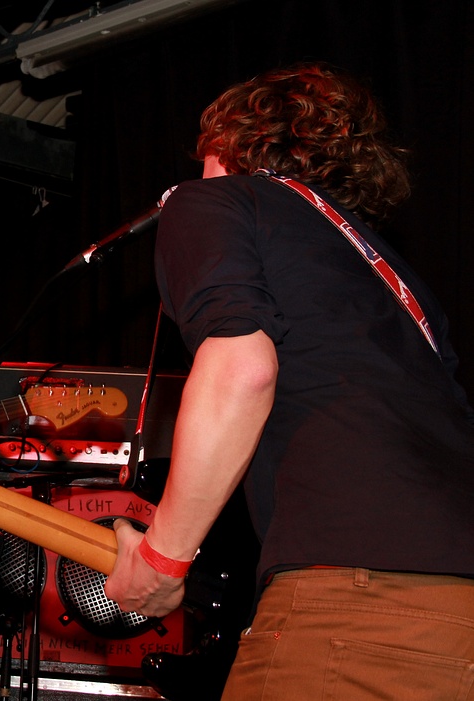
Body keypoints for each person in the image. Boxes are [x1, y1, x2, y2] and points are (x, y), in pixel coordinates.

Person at [104, 63, 474, 699]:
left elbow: (242, 369)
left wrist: (163, 560)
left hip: (358, 602)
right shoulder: (393, 277)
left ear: (227, 146)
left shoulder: (215, 200)